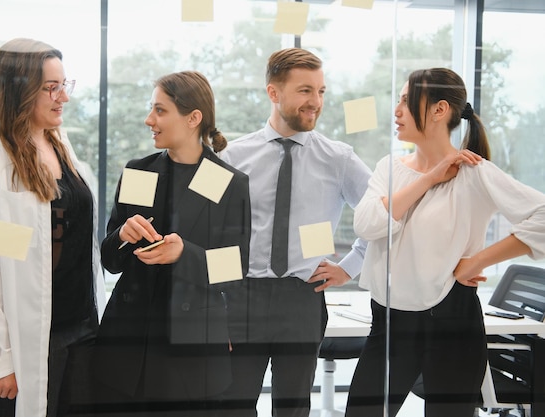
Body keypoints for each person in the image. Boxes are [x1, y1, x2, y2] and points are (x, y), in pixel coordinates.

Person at [345, 67, 545, 417]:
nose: (396, 110)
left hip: (453, 322)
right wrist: (430, 178)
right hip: (389, 323)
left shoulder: (475, 172)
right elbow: (366, 224)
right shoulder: (388, 168)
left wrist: (477, 261)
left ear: (439, 110)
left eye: (407, 100)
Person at [0, 38, 106, 417]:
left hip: (77, 330)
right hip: (20, 342)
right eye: (51, 88)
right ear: (18, 90)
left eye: (64, 85)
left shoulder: (60, 144)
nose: (62, 98)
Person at [219, 48, 372, 417]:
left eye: (321, 92)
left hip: (301, 298)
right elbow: (207, 229)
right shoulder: (230, 156)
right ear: (274, 93)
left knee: (293, 408)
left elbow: (384, 217)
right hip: (243, 296)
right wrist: (218, 298)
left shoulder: (339, 158)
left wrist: (350, 265)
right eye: (305, 91)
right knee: (231, 406)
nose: (315, 102)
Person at [93, 70, 251, 416]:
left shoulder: (228, 183)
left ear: (194, 118)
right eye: (152, 110)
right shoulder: (140, 171)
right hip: (128, 348)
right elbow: (110, 260)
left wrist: (185, 254)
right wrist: (121, 235)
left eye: (160, 111)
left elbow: (235, 270)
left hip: (190, 352)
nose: (150, 120)